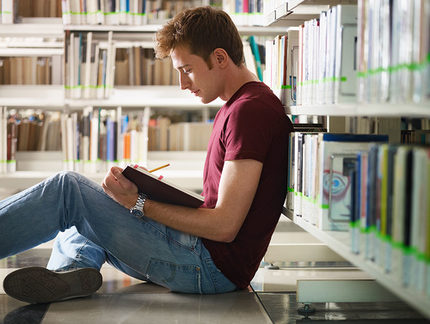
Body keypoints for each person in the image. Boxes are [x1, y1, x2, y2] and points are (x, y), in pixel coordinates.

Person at [0, 6, 293, 304]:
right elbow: (218, 208)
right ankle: (73, 271)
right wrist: (144, 192)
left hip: (208, 268)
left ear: (219, 58)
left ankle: (73, 266)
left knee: (68, 190)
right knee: (86, 216)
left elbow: (224, 226)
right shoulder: (239, 105)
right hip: (205, 260)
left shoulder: (250, 111)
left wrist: (139, 203)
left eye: (187, 70)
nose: (183, 84)